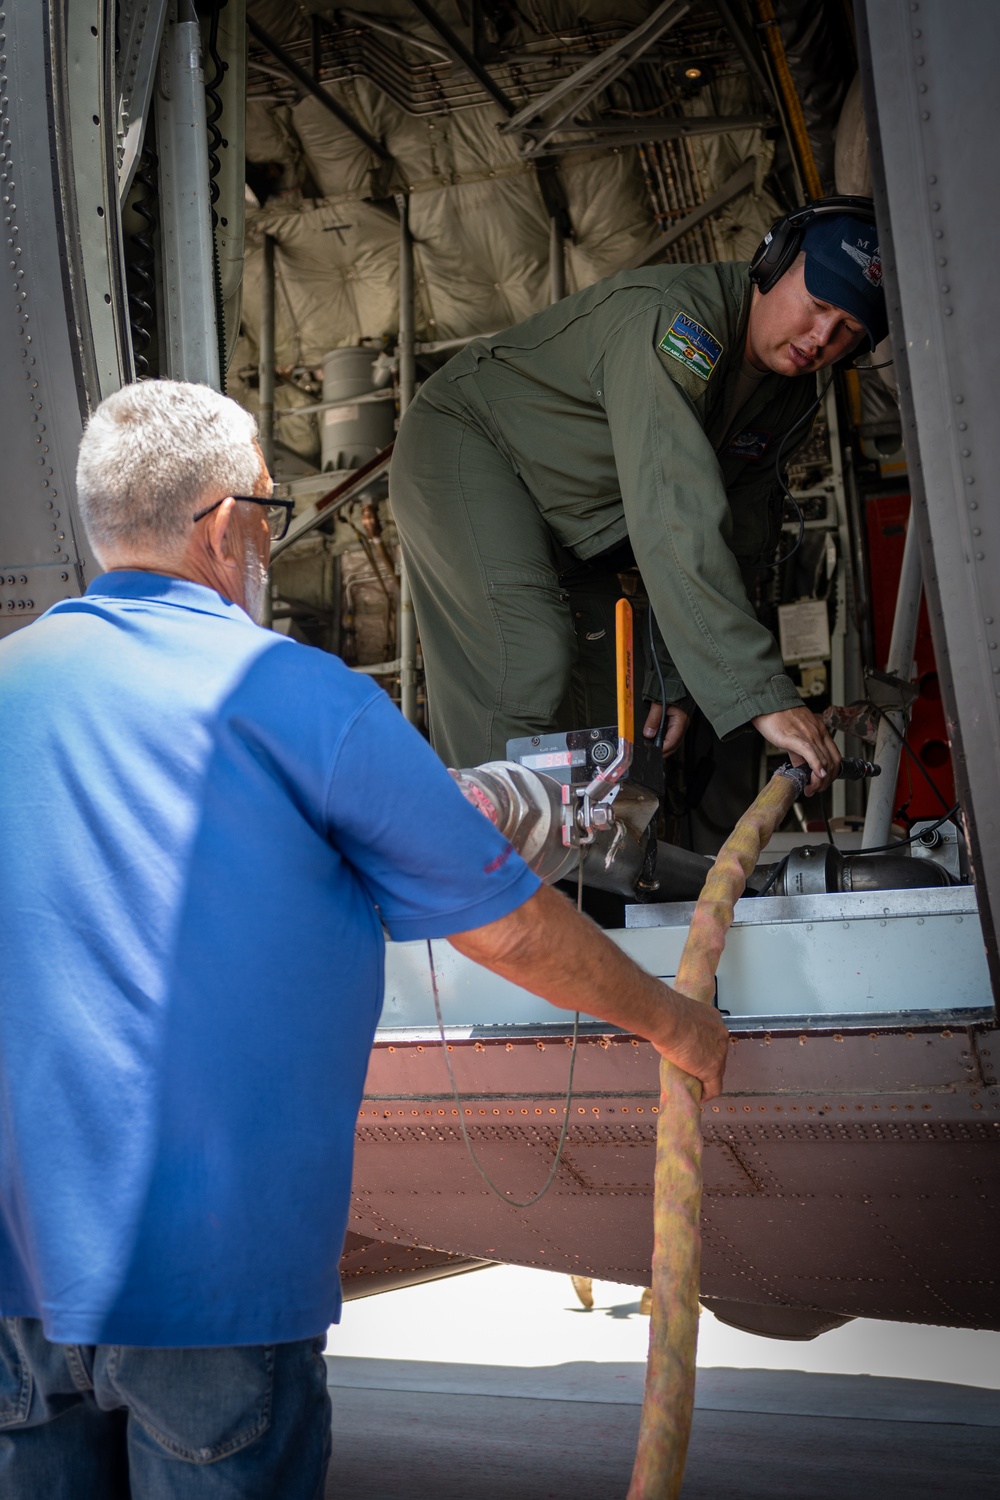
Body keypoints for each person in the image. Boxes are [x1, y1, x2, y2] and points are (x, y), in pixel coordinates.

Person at [0, 380, 728, 1498]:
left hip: (17, 1282)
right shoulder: (298, 696)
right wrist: (675, 1022)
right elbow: (514, 931)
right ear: (222, 524)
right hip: (212, 1278)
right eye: (267, 510)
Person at [390, 203, 888, 794]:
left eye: (849, 332)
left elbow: (741, 542)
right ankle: (476, 866)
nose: (821, 339)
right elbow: (673, 512)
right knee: (525, 661)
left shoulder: (788, 397)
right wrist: (761, 695)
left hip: (577, 523)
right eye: (820, 304)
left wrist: (674, 679)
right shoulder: (677, 325)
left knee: (616, 702)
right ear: (774, 262)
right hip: (471, 447)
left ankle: (575, 879)